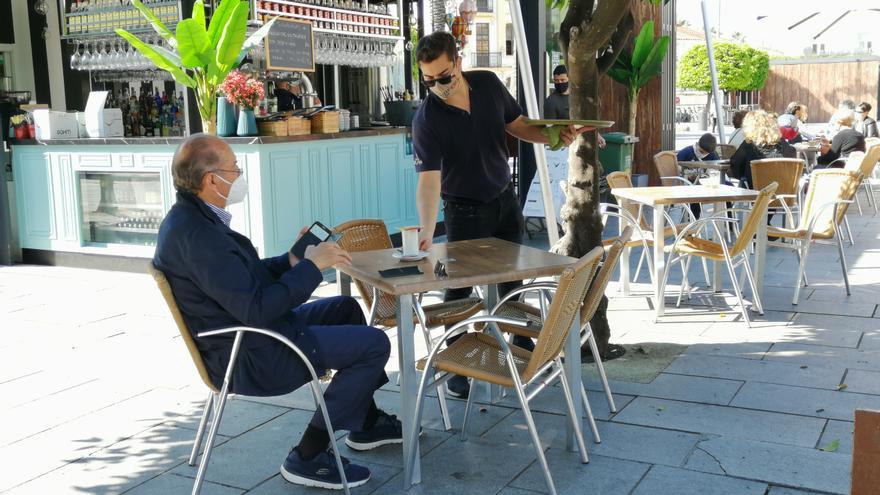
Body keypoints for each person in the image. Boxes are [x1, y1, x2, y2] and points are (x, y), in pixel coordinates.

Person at [153, 134, 401, 490]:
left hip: (253, 335)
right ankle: (309, 456)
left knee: (345, 308)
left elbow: (242, 281)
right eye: (234, 168)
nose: (239, 174)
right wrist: (312, 268)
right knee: (374, 344)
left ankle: (366, 421)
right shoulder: (197, 237)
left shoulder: (195, 220)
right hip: (253, 352)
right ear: (211, 179)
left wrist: (291, 260)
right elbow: (256, 309)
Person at [411, 32, 589, 399]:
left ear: (458, 62)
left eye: (444, 77)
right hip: (463, 209)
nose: (437, 86)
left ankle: (522, 354)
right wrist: (427, 231)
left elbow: (520, 126)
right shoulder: (427, 118)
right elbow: (428, 182)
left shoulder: (488, 84)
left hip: (505, 200)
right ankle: (455, 363)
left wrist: (556, 136)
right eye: (428, 81)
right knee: (458, 288)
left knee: (514, 283)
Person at [730, 110, 797, 187]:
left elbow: (736, 168)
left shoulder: (748, 146)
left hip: (757, 196)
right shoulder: (784, 145)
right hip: (785, 195)